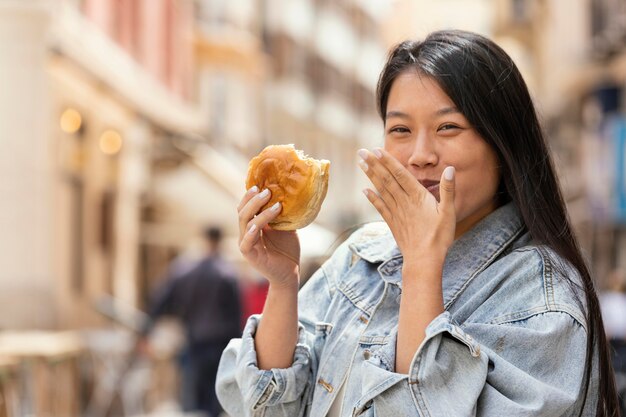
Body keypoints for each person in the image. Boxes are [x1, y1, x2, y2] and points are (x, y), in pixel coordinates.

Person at [217, 30, 620, 416]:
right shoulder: (360, 256)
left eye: (449, 127)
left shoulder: (542, 298)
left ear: (503, 143)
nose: (420, 155)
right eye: (400, 130)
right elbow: (264, 408)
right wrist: (284, 283)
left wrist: (423, 267)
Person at [141, 225, 242, 417]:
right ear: (219, 242)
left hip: (194, 343)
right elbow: (236, 316)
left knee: (192, 403)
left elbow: (160, 302)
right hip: (221, 347)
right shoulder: (228, 274)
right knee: (216, 402)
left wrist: (146, 331)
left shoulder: (184, 271)